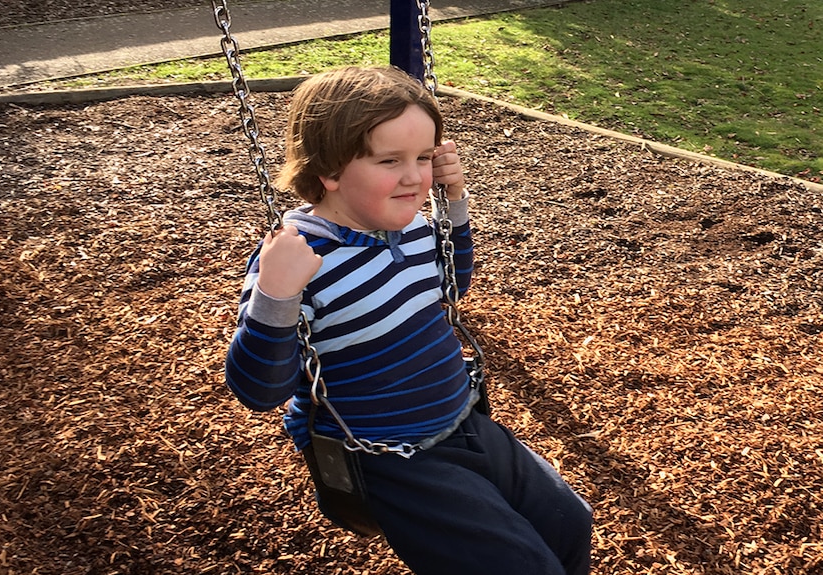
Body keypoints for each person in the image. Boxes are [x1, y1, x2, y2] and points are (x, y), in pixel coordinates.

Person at [225, 66, 592, 575]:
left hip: (461, 422)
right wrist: (275, 294)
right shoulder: (297, 259)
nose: (415, 177)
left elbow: (450, 286)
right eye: (390, 160)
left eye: (424, 158)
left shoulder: (415, 229)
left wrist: (455, 202)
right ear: (329, 171)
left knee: (569, 521)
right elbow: (259, 392)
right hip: (389, 457)